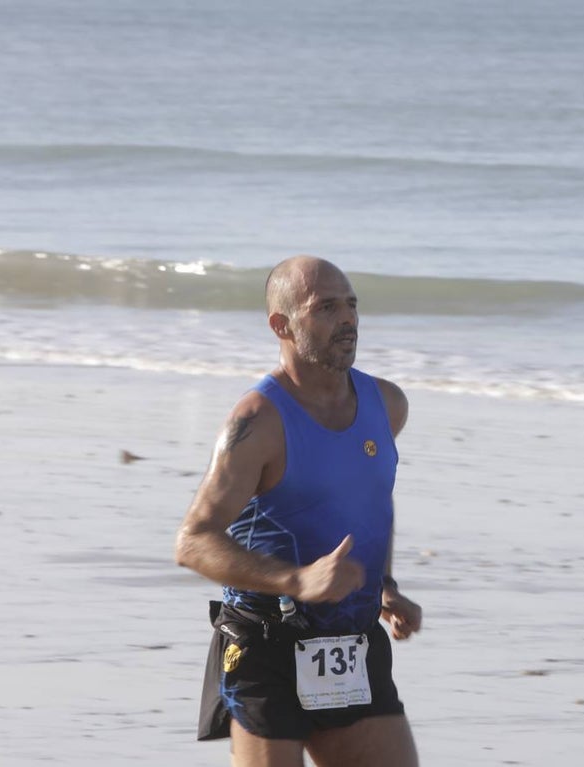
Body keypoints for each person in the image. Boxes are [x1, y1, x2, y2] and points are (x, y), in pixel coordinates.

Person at [175, 256, 422, 767]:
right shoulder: (257, 421)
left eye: (351, 305)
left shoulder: (386, 405)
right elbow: (194, 541)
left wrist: (384, 584)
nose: (348, 319)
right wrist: (298, 580)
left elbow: (369, 499)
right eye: (326, 308)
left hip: (351, 642)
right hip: (267, 643)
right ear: (281, 325)